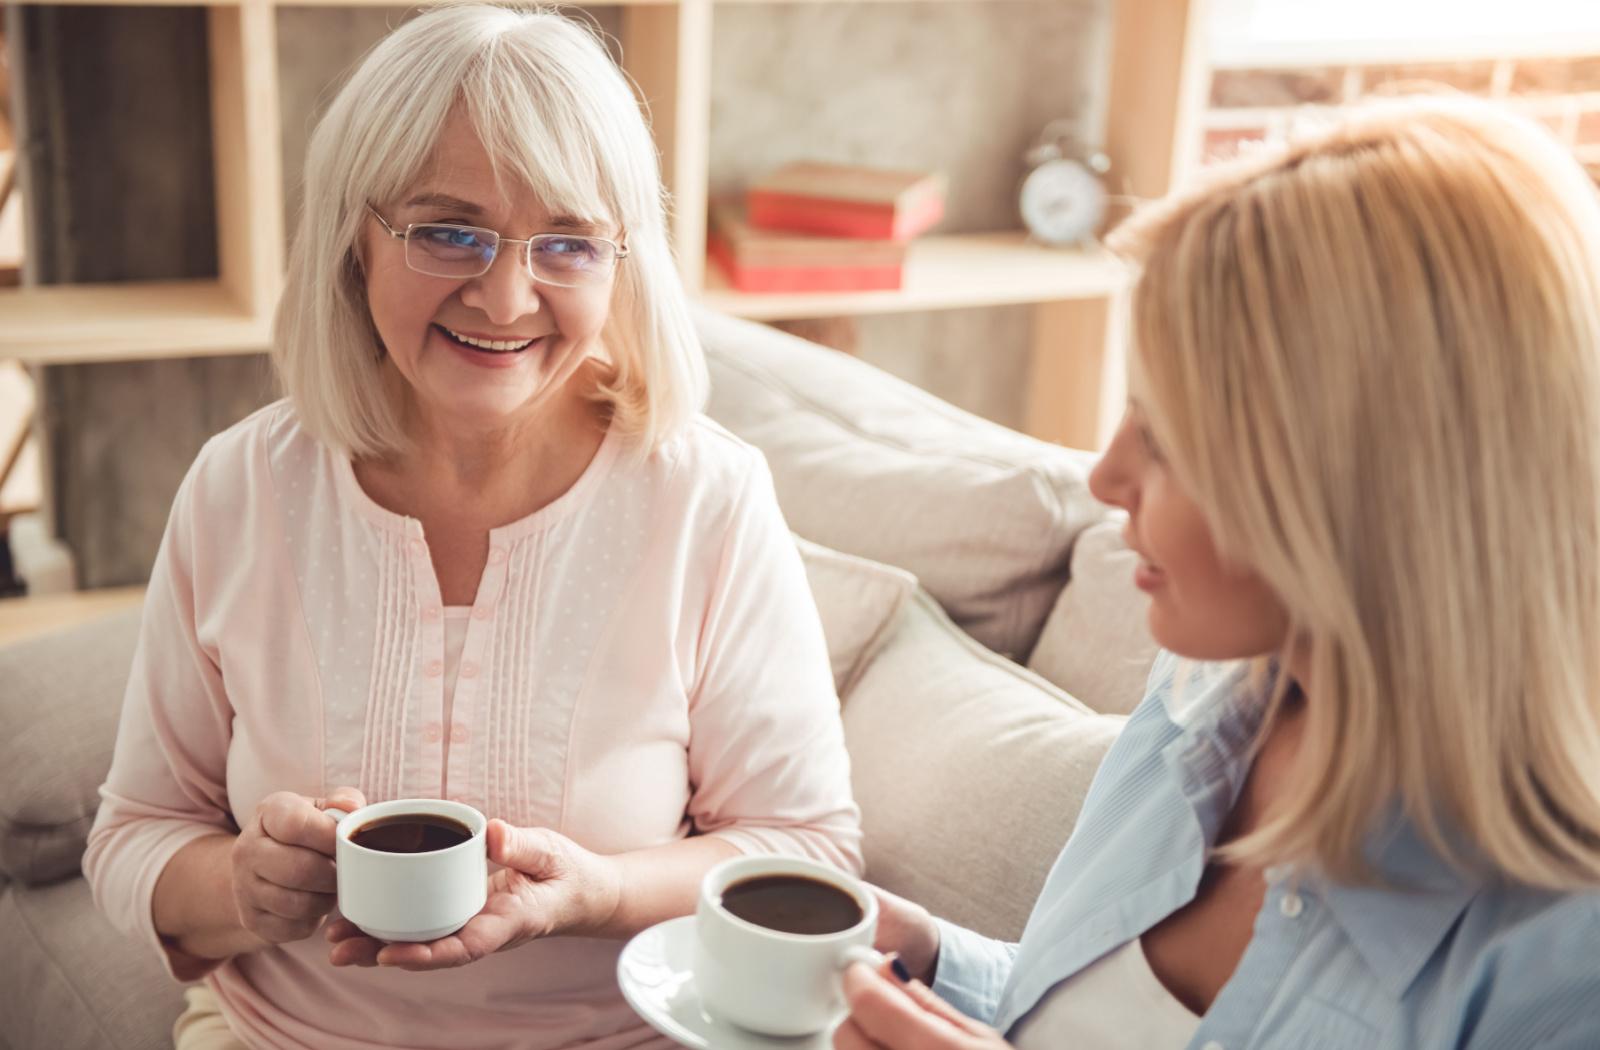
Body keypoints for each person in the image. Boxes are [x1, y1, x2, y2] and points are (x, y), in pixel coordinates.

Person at [83, 6, 862, 1048]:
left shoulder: (704, 500)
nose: (503, 296)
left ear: (621, 259)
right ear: (356, 240)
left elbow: (807, 850)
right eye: (447, 230)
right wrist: (237, 884)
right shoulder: (241, 488)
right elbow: (131, 836)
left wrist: (600, 890)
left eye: (567, 243)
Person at [836, 98, 1600, 1049]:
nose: (1107, 477)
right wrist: (940, 962)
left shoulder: (1563, 965)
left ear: (1360, 487)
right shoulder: (1198, 697)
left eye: (1165, 436)